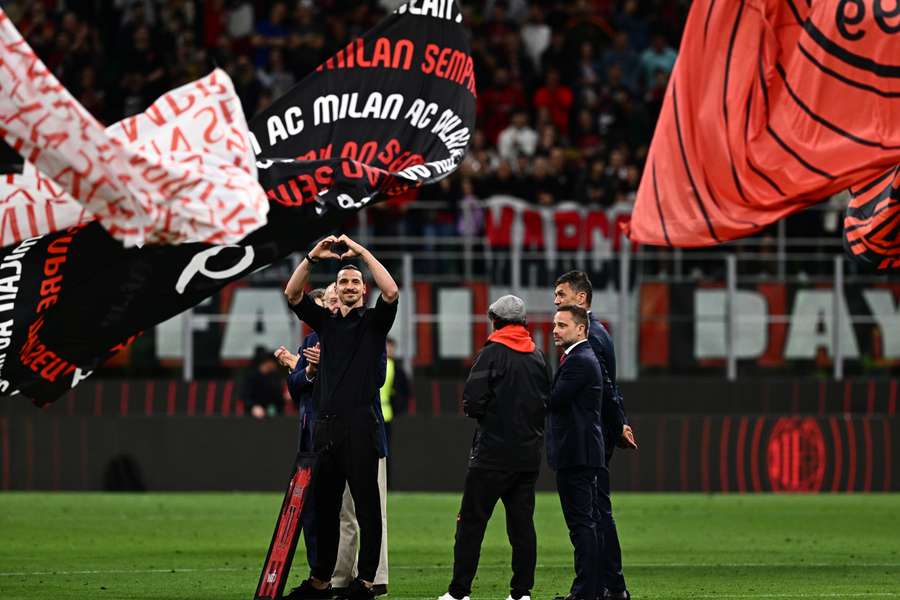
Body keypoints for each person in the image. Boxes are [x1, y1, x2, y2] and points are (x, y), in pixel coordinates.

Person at [284, 234, 398, 600]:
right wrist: (312, 257)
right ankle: (321, 581)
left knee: (367, 508)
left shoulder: (374, 324)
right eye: (343, 282)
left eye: (354, 282)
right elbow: (292, 294)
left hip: (362, 425)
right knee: (326, 508)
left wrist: (363, 252)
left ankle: (365, 582)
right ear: (335, 289)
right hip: (327, 426)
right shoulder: (325, 323)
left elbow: (392, 291)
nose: (349, 287)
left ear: (363, 290)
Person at [438, 295, 549, 600]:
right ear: (523, 323)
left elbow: (473, 402)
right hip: (527, 457)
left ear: (496, 322)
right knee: (522, 528)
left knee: (471, 524)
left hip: (490, 456)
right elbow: (545, 404)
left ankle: (459, 592)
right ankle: (521, 593)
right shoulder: (538, 357)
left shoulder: (491, 354)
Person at [553, 271, 637, 600]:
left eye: (562, 294)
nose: (557, 300)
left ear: (582, 299)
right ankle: (608, 586)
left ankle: (609, 587)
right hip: (597, 434)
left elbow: (607, 390)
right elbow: (610, 388)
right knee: (597, 513)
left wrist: (617, 424)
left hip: (591, 438)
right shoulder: (595, 334)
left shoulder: (592, 339)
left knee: (594, 515)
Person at [548, 305, 622, 600]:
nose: (555, 330)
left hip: (577, 453)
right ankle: (588, 590)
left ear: (581, 329)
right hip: (581, 451)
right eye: (555, 324)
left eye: (562, 325)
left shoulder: (579, 360)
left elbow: (553, 401)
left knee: (582, 526)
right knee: (584, 524)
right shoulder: (578, 358)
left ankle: (585, 592)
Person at [276, 287, 328, 572]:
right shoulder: (309, 341)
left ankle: (345, 573)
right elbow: (296, 390)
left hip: (336, 435)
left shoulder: (348, 338)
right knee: (308, 510)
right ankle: (318, 572)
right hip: (309, 437)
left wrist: (299, 367)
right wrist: (303, 369)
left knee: (341, 513)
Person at [241, 349, 285, 418]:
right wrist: (253, 407)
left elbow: (278, 397)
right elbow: (245, 396)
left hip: (273, 412)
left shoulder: (275, 376)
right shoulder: (252, 376)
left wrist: (284, 397)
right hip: (253, 412)